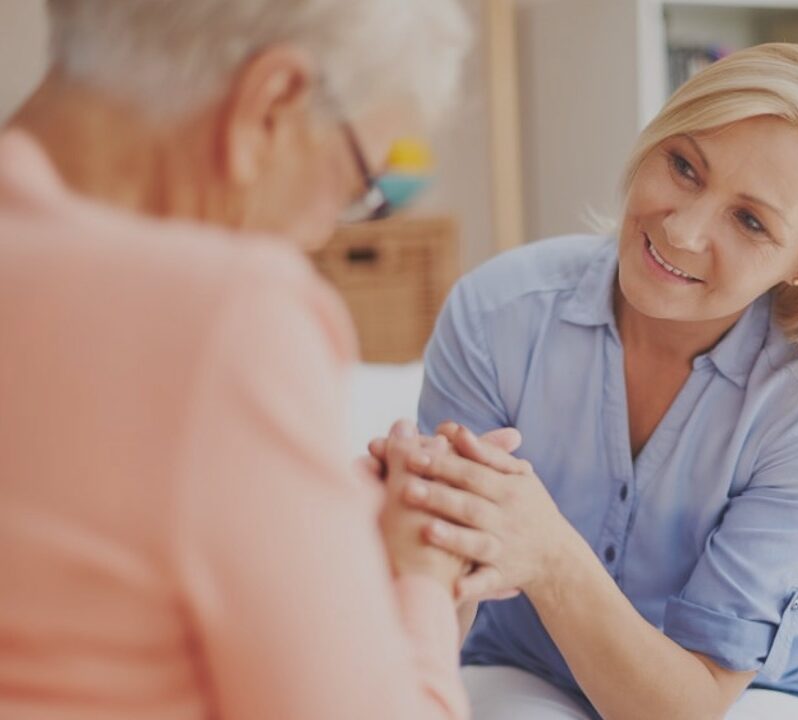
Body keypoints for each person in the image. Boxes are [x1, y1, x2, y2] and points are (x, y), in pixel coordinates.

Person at [375, 43, 798, 720]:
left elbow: (690, 706)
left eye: (750, 221)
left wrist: (548, 553)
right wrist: (408, 532)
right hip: (522, 668)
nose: (683, 230)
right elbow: (436, 607)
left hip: (744, 701)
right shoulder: (495, 314)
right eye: (684, 167)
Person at [0, 2, 479, 718]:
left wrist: (324, 514)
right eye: (355, 189)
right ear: (273, 104)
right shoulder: (228, 317)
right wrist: (425, 580)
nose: (321, 235)